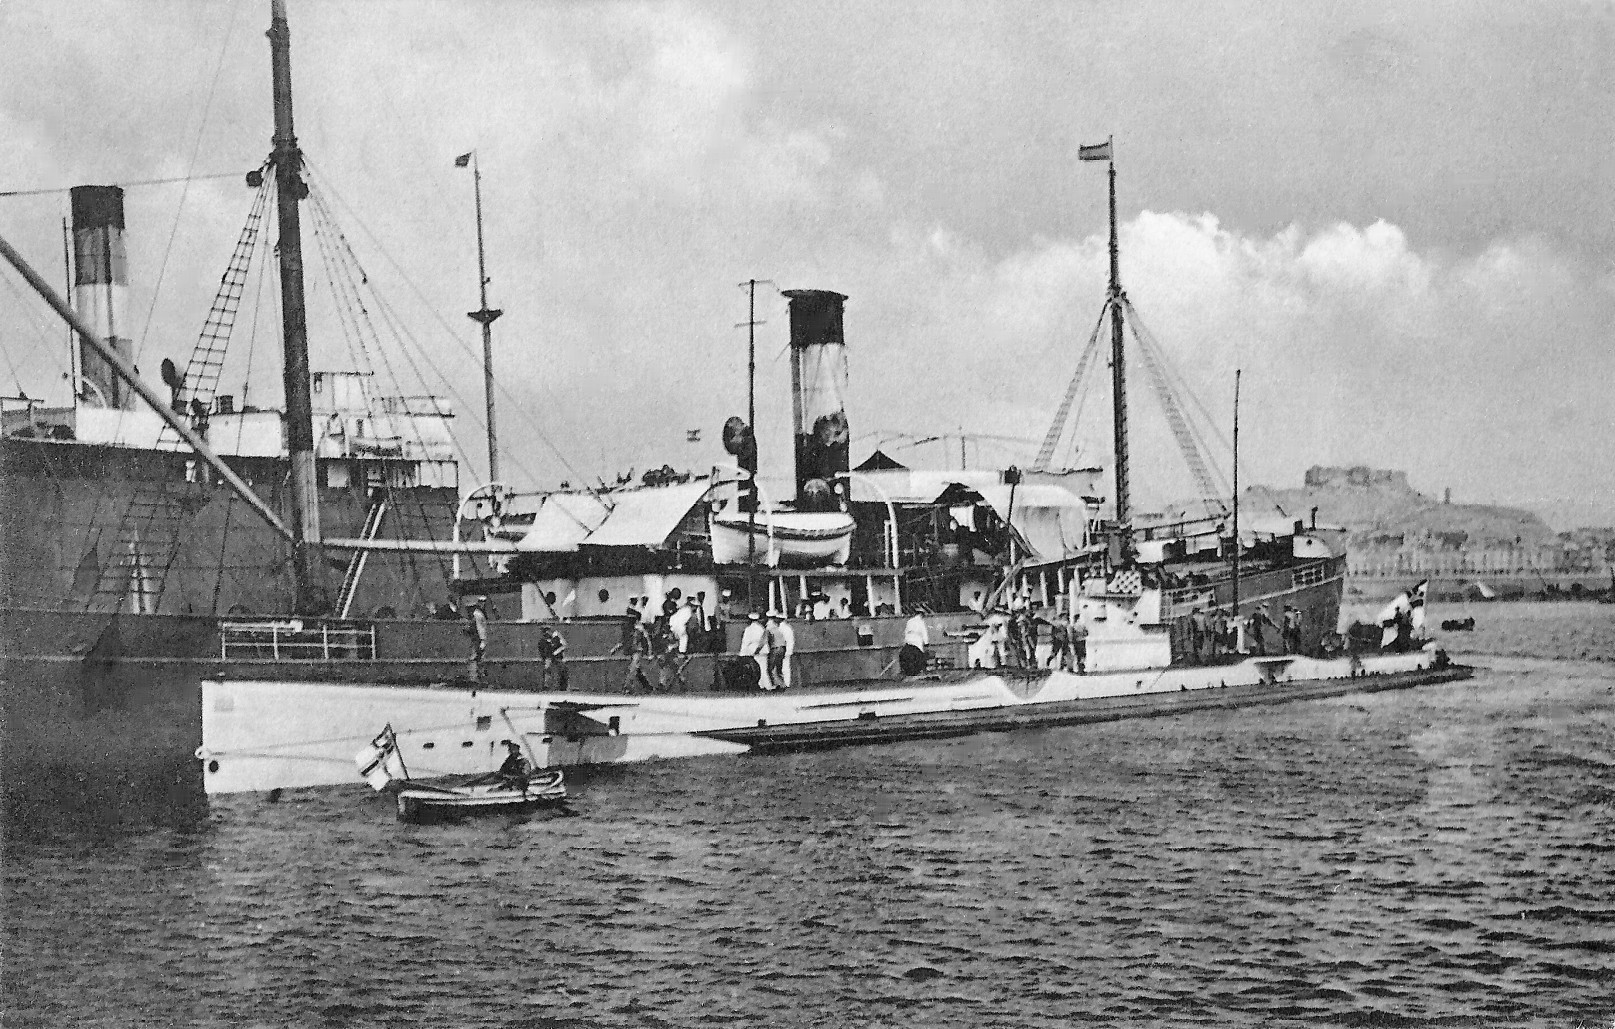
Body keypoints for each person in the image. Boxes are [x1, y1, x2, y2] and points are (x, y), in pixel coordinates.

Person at [739, 612, 769, 689]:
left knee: (757, 669)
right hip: (763, 650)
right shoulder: (761, 628)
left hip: (754, 651)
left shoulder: (749, 629)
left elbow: (746, 642)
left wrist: (742, 653)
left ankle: (763, 685)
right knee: (763, 668)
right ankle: (765, 685)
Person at [538, 623, 569, 691]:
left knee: (562, 670)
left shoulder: (556, 636)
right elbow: (542, 649)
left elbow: (564, 645)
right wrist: (546, 657)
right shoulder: (543, 640)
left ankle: (563, 687)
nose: (545, 632)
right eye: (544, 631)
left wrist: (556, 652)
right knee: (547, 669)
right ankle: (546, 686)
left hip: (558, 657)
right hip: (549, 657)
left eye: (546, 630)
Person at [900, 607, 929, 675]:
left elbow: (906, 632)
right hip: (917, 641)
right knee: (919, 656)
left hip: (909, 641)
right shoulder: (921, 622)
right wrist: (926, 643)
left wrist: (905, 640)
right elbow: (924, 633)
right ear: (921, 615)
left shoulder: (910, 621)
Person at [768, 613, 795, 688]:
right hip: (785, 649)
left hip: (784, 649)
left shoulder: (782, 628)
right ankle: (785, 683)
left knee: (784, 668)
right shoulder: (787, 627)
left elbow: (787, 640)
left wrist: (787, 651)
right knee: (783, 667)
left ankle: (785, 683)